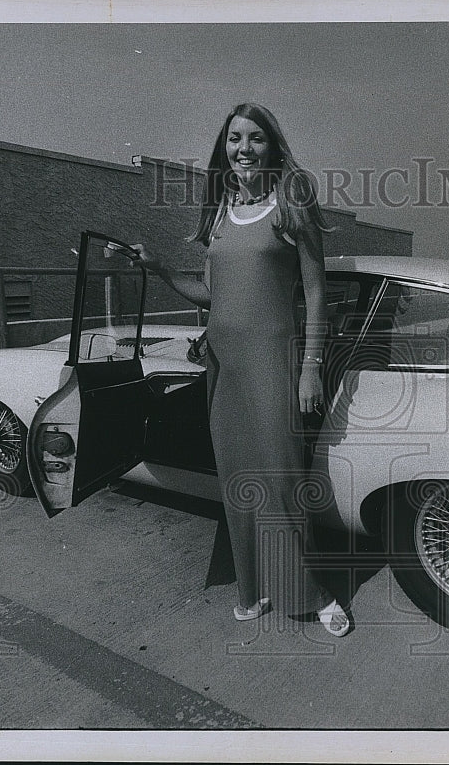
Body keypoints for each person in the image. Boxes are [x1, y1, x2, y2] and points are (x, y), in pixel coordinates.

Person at [131, 103, 350, 637]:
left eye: (255, 138)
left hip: (274, 363)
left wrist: (311, 369)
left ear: (272, 146)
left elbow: (316, 293)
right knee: (237, 479)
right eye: (234, 139)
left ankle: (313, 593)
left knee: (282, 480)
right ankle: (253, 588)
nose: (243, 149)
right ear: (223, 147)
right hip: (223, 368)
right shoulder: (219, 212)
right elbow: (212, 295)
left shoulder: (291, 201)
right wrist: (160, 269)